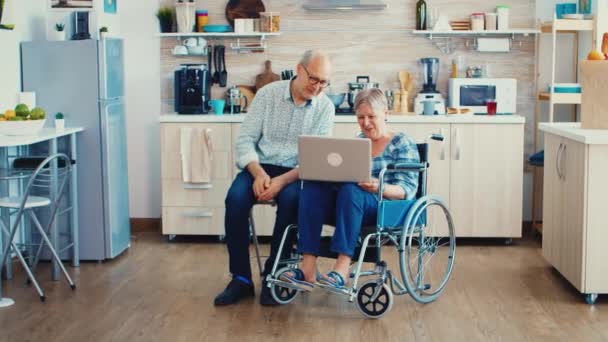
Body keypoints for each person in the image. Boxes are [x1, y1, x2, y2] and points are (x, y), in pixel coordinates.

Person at [214, 50, 335, 306]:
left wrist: (281, 182)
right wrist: (258, 172)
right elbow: (246, 139)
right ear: (299, 69)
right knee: (235, 199)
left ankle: (274, 276)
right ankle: (241, 280)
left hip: (297, 172)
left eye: (324, 82)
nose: (318, 87)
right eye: (314, 79)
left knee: (292, 201)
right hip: (261, 165)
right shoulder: (268, 95)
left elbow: (315, 158)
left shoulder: (325, 107)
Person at [282, 88, 420, 290]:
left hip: (384, 206)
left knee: (350, 190)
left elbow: (406, 189)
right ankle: (307, 267)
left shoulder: (401, 142)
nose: (365, 123)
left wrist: (378, 186)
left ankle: (342, 267)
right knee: (313, 186)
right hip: (351, 205)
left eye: (371, 116)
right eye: (361, 117)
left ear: (386, 114)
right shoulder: (356, 143)